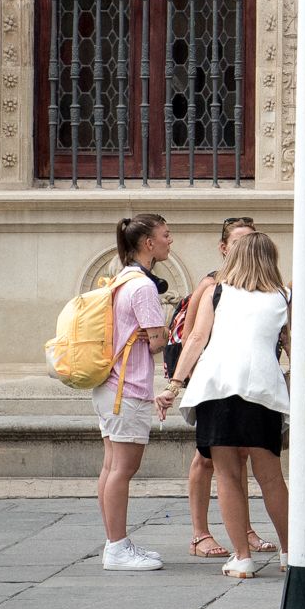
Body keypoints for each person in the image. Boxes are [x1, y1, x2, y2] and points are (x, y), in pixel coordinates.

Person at [161, 231, 291, 578]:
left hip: (217, 387)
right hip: (262, 390)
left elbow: (197, 339)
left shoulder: (217, 292)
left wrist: (174, 386)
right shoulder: (283, 297)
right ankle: (291, 551)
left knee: (228, 476)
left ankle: (242, 556)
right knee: (272, 477)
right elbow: (294, 347)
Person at [176, 215, 258, 561]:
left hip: (245, 382)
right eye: (238, 242)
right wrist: (185, 381)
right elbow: (191, 335)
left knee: (240, 455)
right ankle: (200, 533)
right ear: (224, 248)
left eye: (251, 240)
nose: (245, 248)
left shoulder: (260, 283)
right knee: (206, 458)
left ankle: (245, 530)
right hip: (212, 383)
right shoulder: (210, 285)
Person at [94, 213, 173, 573]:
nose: (170, 242)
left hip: (110, 386)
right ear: (148, 244)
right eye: (166, 235)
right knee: (123, 468)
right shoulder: (143, 287)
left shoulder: (120, 280)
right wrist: (165, 330)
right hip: (128, 388)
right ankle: (117, 548)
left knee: (112, 465)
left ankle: (116, 542)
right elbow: (157, 341)